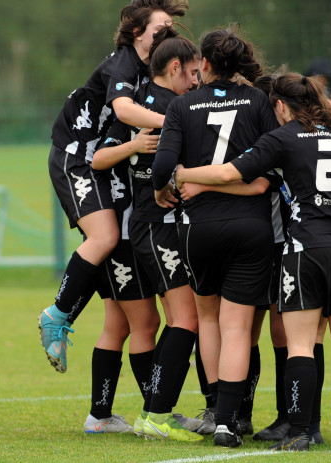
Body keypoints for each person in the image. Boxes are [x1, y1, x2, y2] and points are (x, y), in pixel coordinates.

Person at [173, 72, 331, 451]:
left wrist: (182, 174)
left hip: (309, 249)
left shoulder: (283, 137)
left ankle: (301, 432)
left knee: (301, 344)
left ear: (280, 106)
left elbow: (230, 172)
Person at [40, 0, 189, 374]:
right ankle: (56, 314)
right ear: (138, 33)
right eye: (161, 29)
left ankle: (101, 415)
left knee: (118, 299)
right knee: (104, 236)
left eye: (171, 28)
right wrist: (177, 123)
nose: (168, 35)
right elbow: (123, 111)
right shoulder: (124, 62)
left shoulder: (151, 69)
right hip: (78, 155)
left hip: (108, 163)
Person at [151, 24, 278, 448]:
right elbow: (264, 176)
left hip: (199, 229)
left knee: (208, 319)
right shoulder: (259, 100)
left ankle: (212, 409)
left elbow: (161, 169)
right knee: (239, 328)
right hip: (252, 227)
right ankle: (228, 422)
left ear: (203, 64)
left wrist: (166, 187)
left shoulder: (182, 107)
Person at [91, 28, 204, 441]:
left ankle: (158, 411)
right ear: (174, 68)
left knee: (176, 319)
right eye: (192, 73)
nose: (196, 81)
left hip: (165, 225)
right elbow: (99, 158)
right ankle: (157, 414)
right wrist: (135, 145)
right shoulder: (159, 107)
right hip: (155, 225)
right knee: (185, 319)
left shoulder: (155, 103)